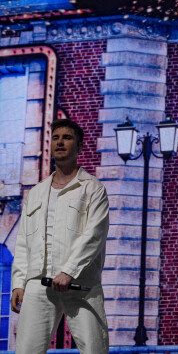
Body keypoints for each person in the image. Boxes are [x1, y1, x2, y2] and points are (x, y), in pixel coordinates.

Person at [10, 119, 110, 353]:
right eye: (55, 138)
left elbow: (94, 234)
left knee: (94, 348)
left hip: (81, 282)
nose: (60, 142)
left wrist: (69, 271)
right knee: (26, 350)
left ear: (79, 146)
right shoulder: (36, 192)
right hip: (38, 282)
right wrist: (18, 282)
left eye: (67, 137)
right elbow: (24, 240)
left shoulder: (93, 188)